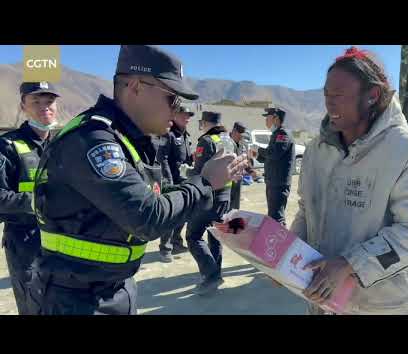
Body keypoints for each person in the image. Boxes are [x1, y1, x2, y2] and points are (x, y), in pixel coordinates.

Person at [27, 45, 247, 315]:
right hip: (74, 298)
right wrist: (204, 182)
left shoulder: (128, 139)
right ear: (135, 87)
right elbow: (147, 217)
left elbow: (152, 197)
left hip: (109, 288)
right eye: (172, 99)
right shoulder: (93, 140)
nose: (177, 109)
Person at [290, 47, 408, 315]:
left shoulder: (405, 151)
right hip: (322, 302)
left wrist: (350, 264)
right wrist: (284, 253)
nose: (329, 104)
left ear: (372, 95)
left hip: (381, 306)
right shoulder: (317, 150)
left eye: (339, 96)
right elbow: (307, 210)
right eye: (327, 95)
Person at [0, 82, 59, 314]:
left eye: (49, 101)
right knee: (33, 307)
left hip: (61, 241)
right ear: (23, 106)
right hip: (26, 244)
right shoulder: (7, 146)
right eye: (36, 101)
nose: (44, 107)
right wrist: (38, 203)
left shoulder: (60, 144)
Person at [187, 111, 232, 296]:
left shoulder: (206, 141)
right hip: (225, 195)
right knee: (215, 235)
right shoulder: (227, 139)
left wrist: (187, 173)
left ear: (206, 123)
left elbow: (199, 172)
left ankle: (211, 275)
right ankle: (217, 273)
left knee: (193, 236)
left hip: (208, 196)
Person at [157, 106, 195, 263]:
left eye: (189, 115)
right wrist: (168, 180)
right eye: (184, 115)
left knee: (184, 213)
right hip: (172, 180)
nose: (187, 118)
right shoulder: (169, 134)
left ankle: (176, 241)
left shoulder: (185, 135)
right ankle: (165, 247)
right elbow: (162, 158)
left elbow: (187, 158)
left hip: (184, 180)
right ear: (175, 115)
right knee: (172, 215)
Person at [250, 107, 295, 226]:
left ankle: (281, 243)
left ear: (276, 118)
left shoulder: (283, 134)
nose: (266, 121)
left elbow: (275, 154)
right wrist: (257, 155)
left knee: (277, 218)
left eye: (268, 118)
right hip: (273, 181)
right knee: (273, 215)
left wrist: (258, 149)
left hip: (279, 183)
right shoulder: (276, 134)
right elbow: (270, 157)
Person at [229, 121, 248, 210]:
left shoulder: (240, 144)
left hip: (238, 179)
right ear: (234, 131)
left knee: (235, 207)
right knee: (226, 206)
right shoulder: (226, 142)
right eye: (240, 134)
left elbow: (244, 159)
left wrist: (250, 171)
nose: (241, 137)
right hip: (227, 180)